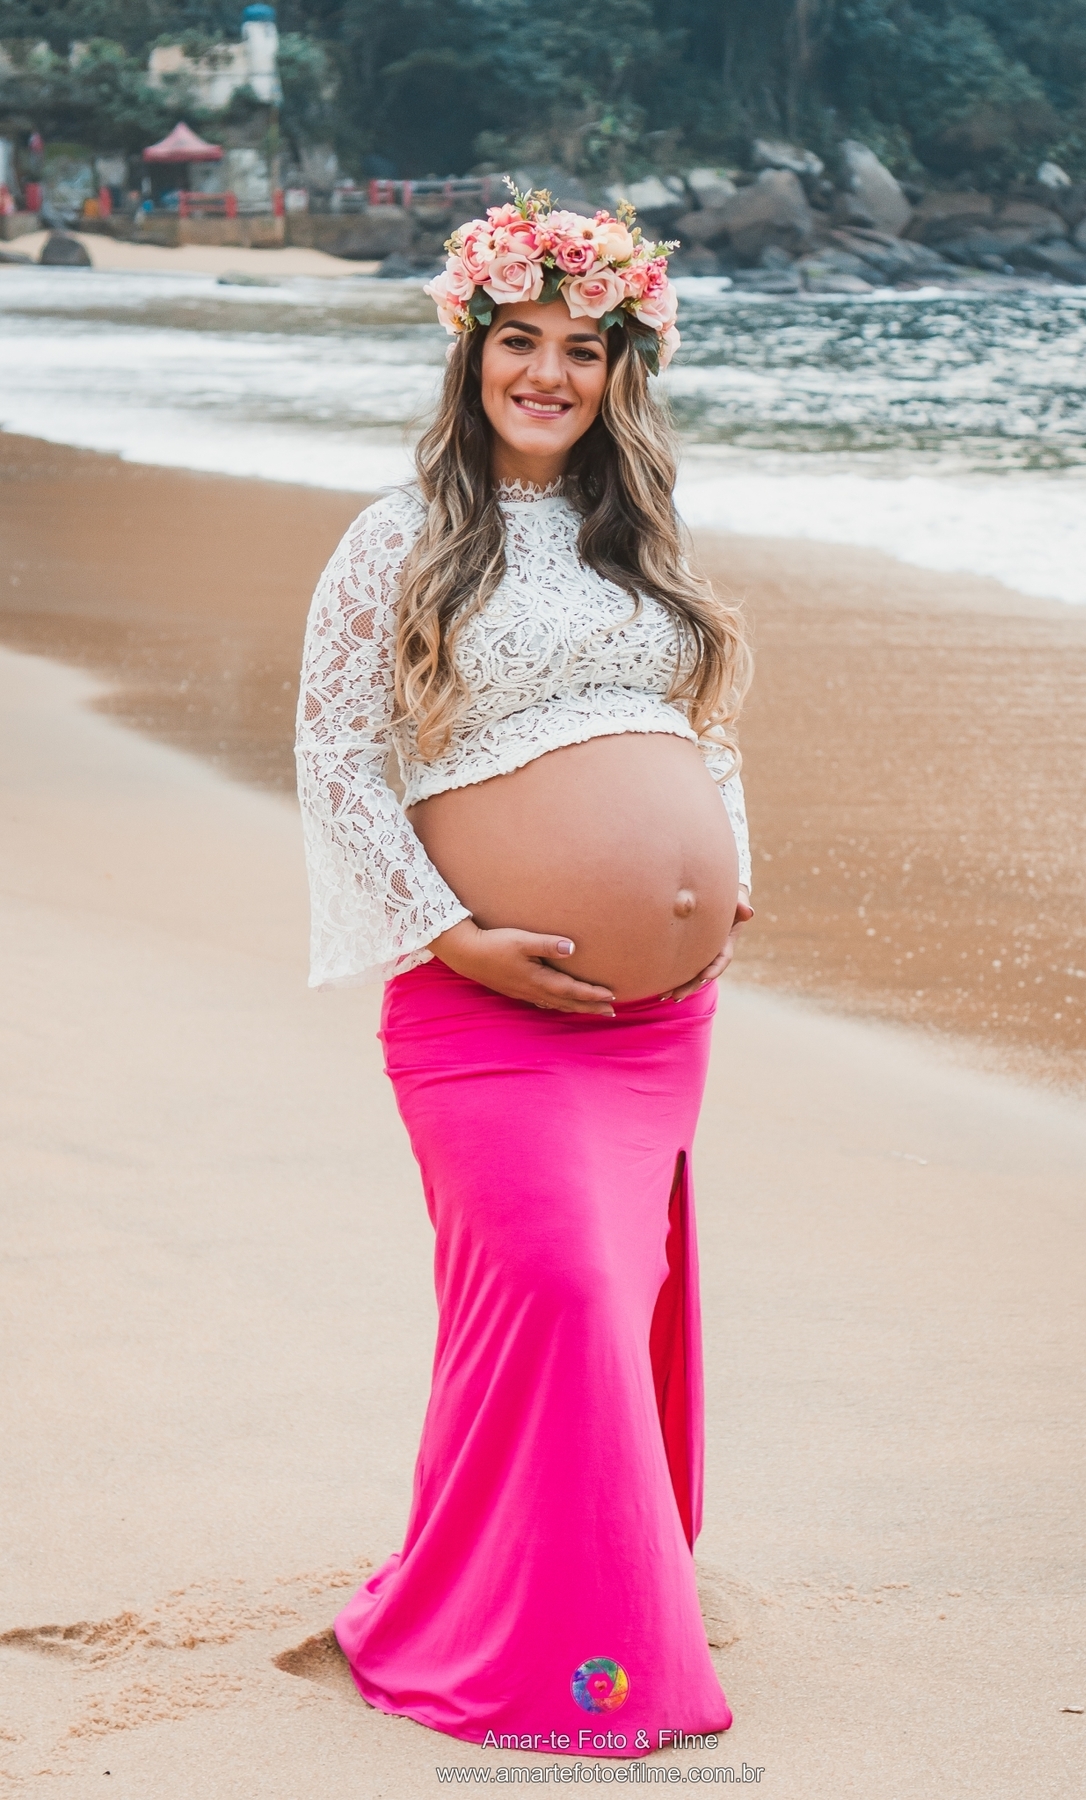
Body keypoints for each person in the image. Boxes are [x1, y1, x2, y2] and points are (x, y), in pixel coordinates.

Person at [295, 185, 752, 1760]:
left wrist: (726, 863)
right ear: (471, 350)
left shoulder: (646, 541)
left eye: (581, 349)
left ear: (625, 371)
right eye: (519, 341)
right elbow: (340, 758)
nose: (547, 374)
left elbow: (704, 729)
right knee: (556, 1291)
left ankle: (564, 1587)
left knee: (609, 1301)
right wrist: (447, 932)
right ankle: (542, 1659)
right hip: (484, 1007)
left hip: (656, 1027)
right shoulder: (399, 538)